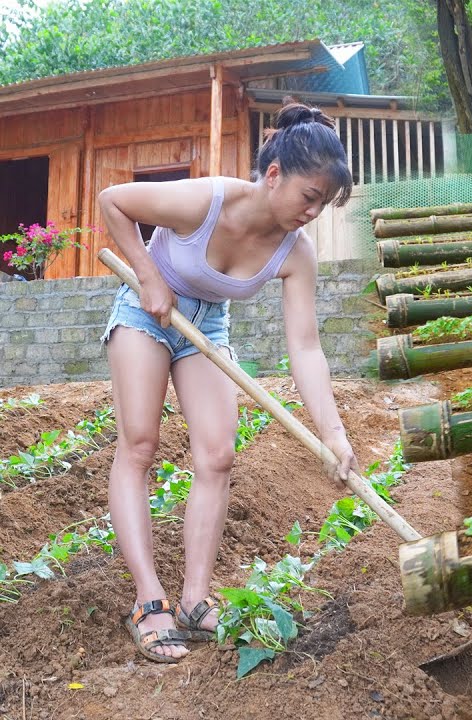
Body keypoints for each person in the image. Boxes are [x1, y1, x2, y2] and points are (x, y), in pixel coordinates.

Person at [98, 102, 356, 663]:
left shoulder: (296, 253)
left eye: (324, 204)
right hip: (147, 311)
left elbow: (305, 347)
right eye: (309, 196)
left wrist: (333, 432)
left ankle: (194, 601)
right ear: (273, 175)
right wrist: (147, 274)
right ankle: (149, 601)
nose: (313, 212)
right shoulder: (208, 200)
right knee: (139, 444)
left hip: (205, 326)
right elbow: (112, 202)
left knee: (217, 455)